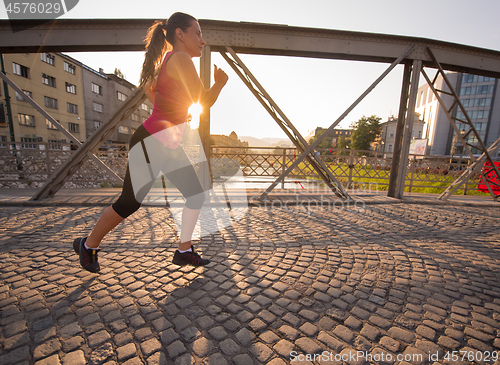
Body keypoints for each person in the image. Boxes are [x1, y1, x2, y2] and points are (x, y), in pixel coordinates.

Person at [73, 12, 228, 273]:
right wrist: (220, 84)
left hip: (165, 141)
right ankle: (87, 246)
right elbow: (204, 99)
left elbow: (153, 91)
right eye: (198, 33)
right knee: (129, 203)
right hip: (152, 142)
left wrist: (172, 110)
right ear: (180, 34)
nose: (203, 40)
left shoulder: (170, 59)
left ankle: (184, 250)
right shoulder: (180, 58)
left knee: (195, 193)